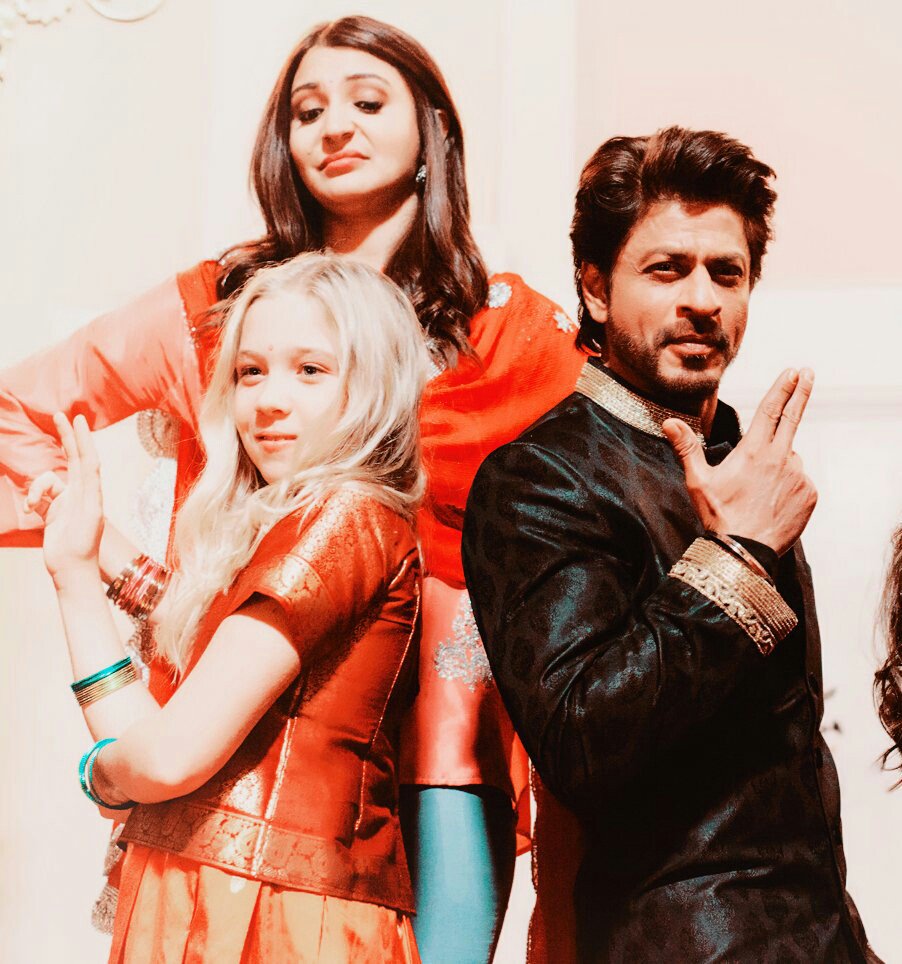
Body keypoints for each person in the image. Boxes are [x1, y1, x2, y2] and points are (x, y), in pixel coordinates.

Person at [0, 15, 585, 960]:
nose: (335, 126)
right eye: (308, 111)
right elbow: (15, 412)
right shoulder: (227, 308)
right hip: (245, 740)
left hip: (441, 747)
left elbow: (621, 473)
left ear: (432, 132)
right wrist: (120, 568)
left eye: (368, 101)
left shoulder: (505, 334)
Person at [462, 127, 877, 962]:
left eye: (727, 273)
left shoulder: (739, 455)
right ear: (595, 289)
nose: (703, 299)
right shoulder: (539, 477)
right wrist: (739, 557)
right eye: (667, 269)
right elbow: (581, 739)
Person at [26, 253, 427, 961]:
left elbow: (165, 759)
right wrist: (74, 576)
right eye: (250, 371)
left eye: (310, 370)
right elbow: (152, 744)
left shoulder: (346, 515)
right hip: (198, 891)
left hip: (277, 915)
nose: (268, 400)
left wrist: (104, 775)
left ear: (373, 384)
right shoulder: (278, 525)